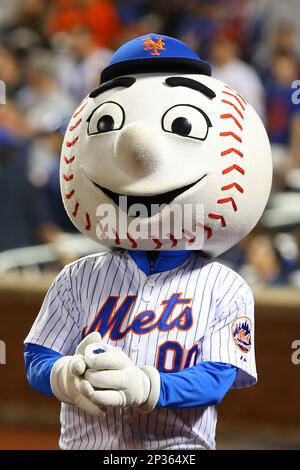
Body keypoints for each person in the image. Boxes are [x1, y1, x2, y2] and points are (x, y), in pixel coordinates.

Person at [24, 34, 272, 450]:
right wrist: (64, 375)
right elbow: (36, 358)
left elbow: (218, 376)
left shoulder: (225, 286)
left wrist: (145, 385)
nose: (138, 148)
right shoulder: (75, 278)